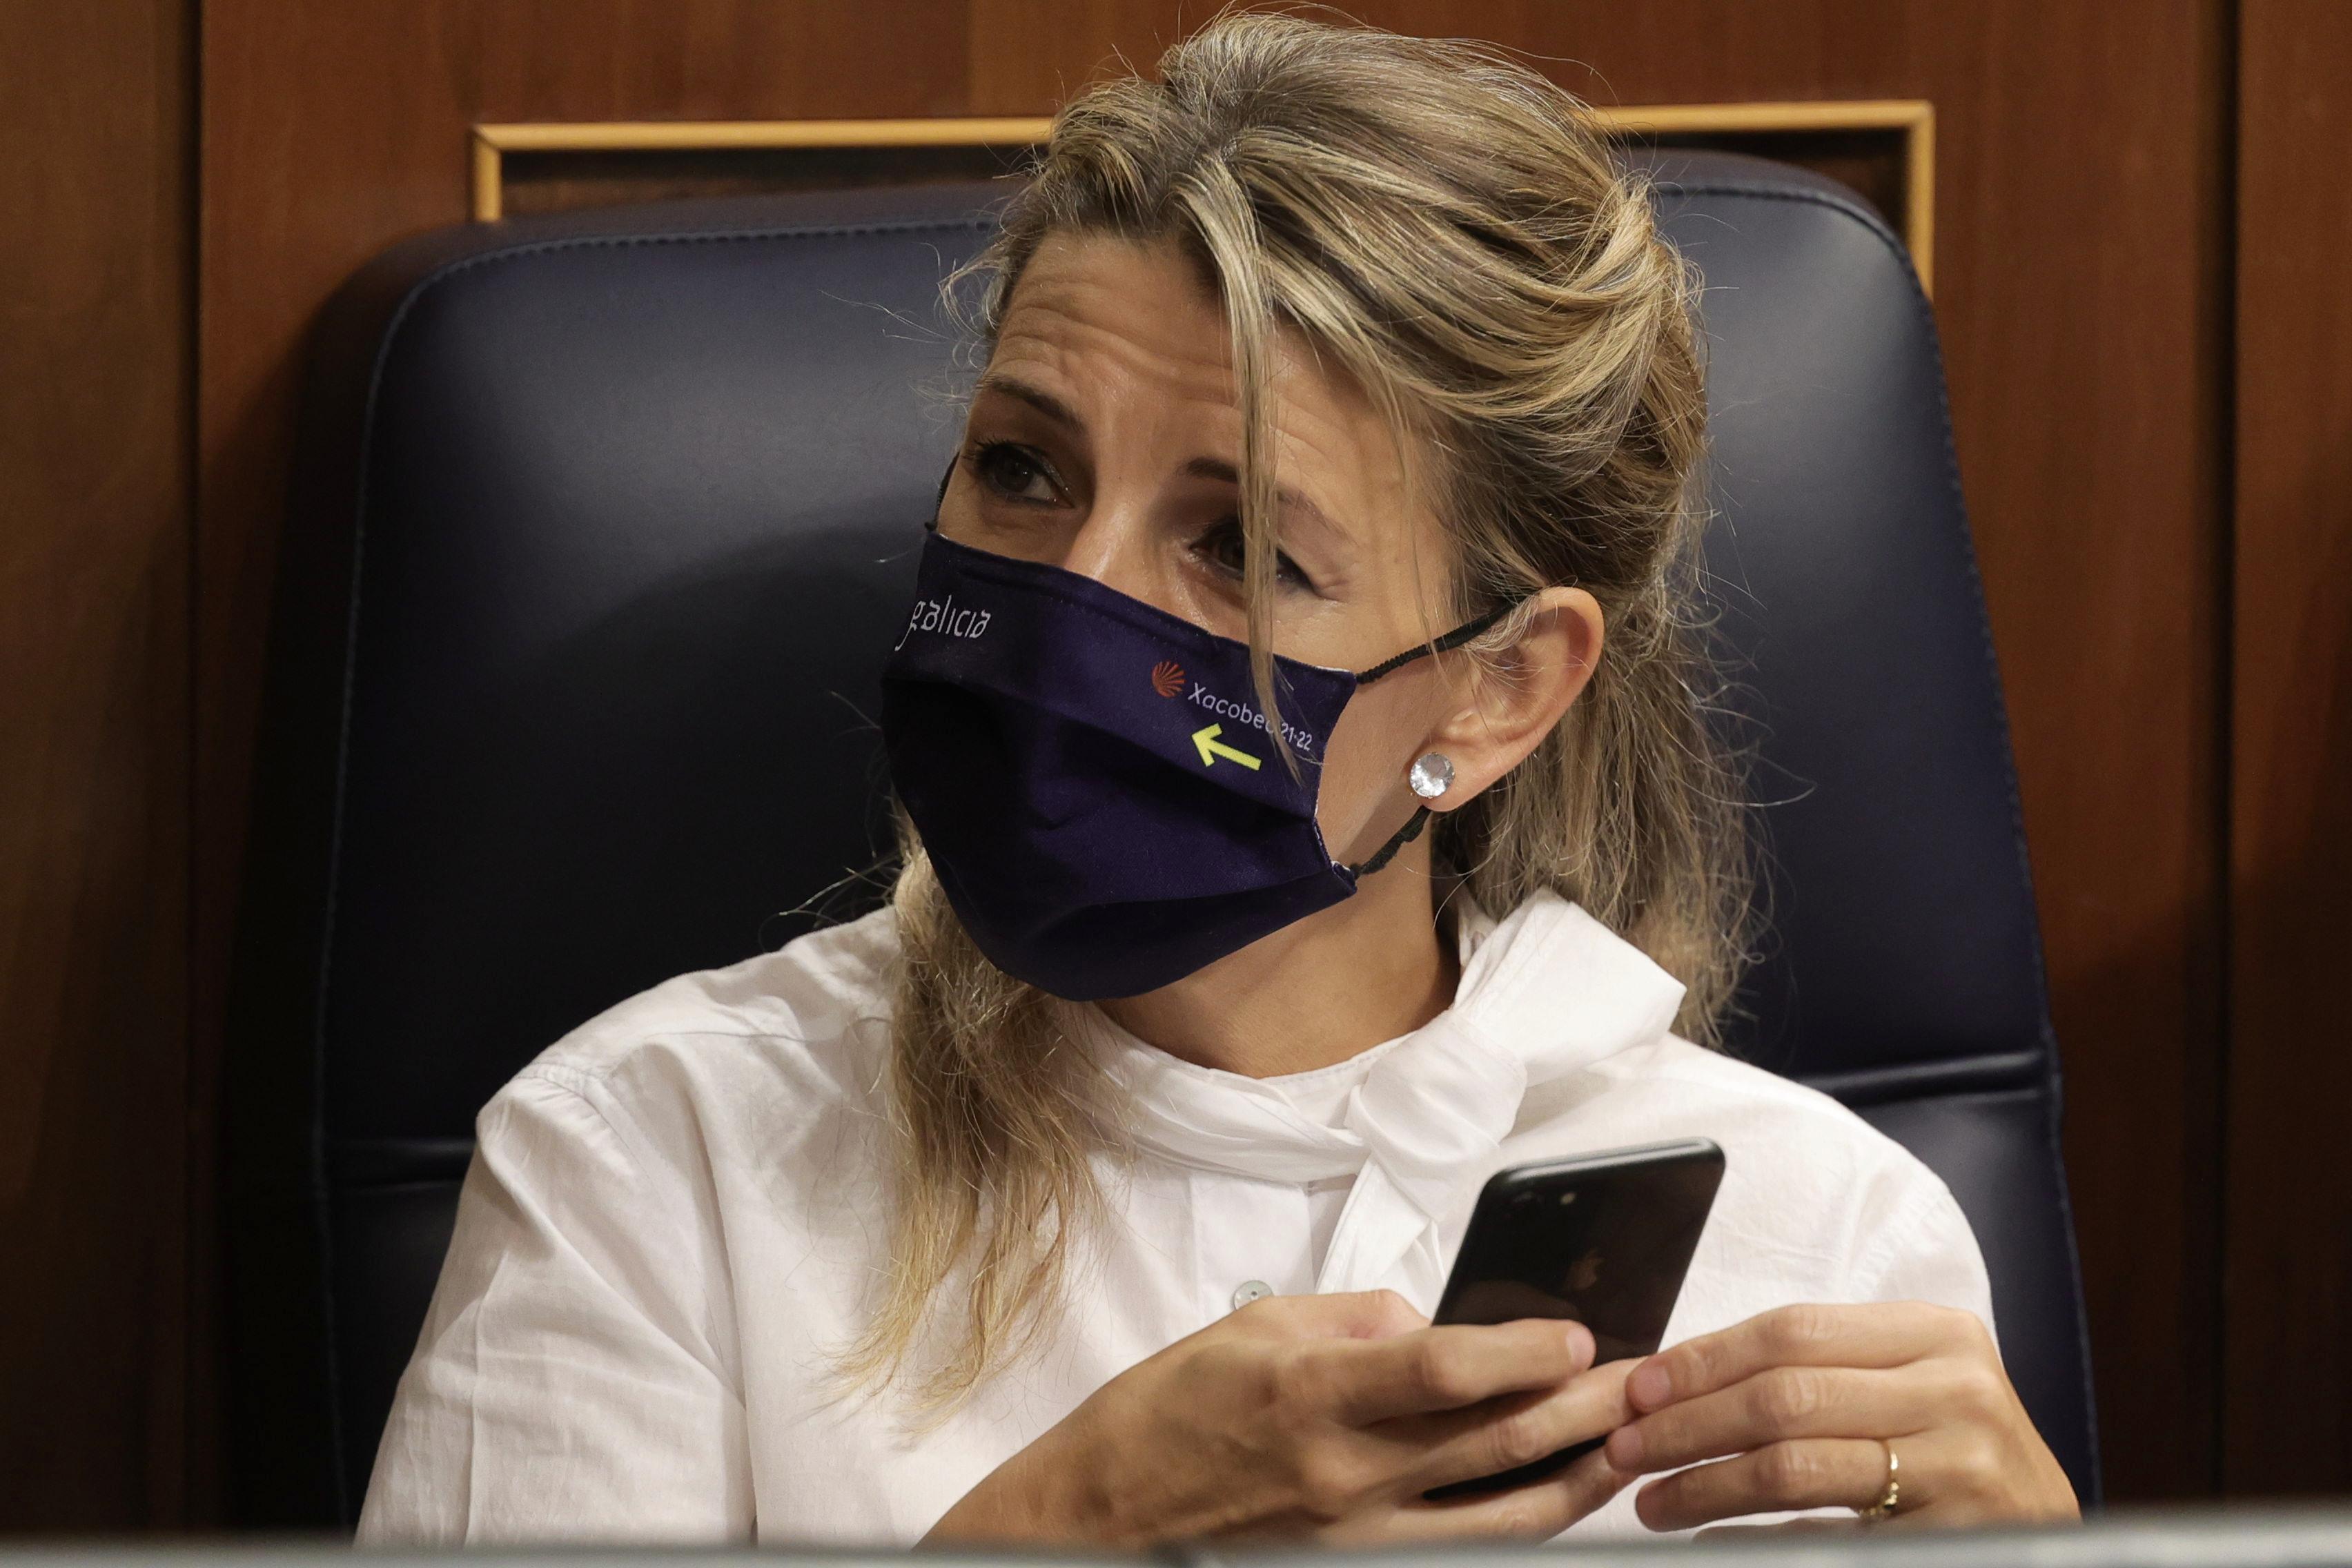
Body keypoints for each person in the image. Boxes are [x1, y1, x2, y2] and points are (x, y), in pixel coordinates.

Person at [357, 12, 2080, 1549]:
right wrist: (1076, 1528)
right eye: (1023, 467)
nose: (1072, 604)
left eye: (1243, 544)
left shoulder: (1824, 1240)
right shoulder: (650, 1161)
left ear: (1496, 692)